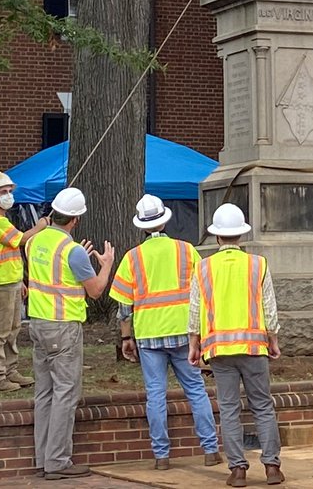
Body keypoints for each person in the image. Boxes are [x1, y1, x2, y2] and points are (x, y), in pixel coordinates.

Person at [110, 195, 220, 470]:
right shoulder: (186, 251)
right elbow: (202, 294)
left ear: (142, 226)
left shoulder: (132, 257)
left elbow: (125, 306)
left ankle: (161, 457)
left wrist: (126, 338)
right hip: (184, 332)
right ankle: (210, 450)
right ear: (166, 219)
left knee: (155, 395)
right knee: (196, 390)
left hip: (149, 335)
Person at [188, 204, 284, 488]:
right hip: (254, 347)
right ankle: (272, 468)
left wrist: (194, 343)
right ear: (240, 236)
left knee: (229, 409)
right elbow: (269, 306)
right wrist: (273, 339)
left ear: (217, 237)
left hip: (219, 351)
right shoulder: (258, 264)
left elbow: (195, 309)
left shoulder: (203, 267)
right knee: (263, 406)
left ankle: (238, 470)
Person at [27, 186, 115, 481]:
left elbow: (54, 274)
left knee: (44, 393)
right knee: (66, 393)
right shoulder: (72, 251)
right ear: (75, 220)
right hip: (63, 327)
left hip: (38, 324)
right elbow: (96, 290)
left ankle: (43, 459)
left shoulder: (35, 242)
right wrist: (106, 265)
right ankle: (58, 461)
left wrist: (81, 262)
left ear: (53, 214)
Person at [0, 171, 49, 392]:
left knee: (12, 329)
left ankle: (10, 370)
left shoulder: (1, 219)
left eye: (10, 191)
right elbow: (19, 240)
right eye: (3, 192)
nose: (8, 195)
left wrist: (20, 282)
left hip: (10, 282)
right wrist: (40, 227)